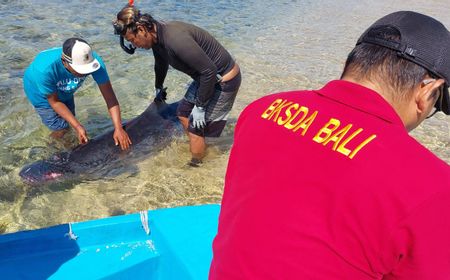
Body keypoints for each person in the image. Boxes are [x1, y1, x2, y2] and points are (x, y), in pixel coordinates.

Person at [210, 11, 450, 279]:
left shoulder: (260, 110)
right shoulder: (434, 184)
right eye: (434, 106)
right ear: (427, 91)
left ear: (354, 63)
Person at [113, 4, 241, 166]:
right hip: (205, 78)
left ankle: (198, 164)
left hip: (223, 81)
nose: (135, 45)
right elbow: (160, 63)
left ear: (141, 29)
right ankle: (200, 144)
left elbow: (209, 71)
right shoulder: (157, 36)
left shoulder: (175, 40)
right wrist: (158, 87)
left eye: (133, 40)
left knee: (197, 126)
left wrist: (200, 107)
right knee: (183, 112)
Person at [23, 37, 131, 150]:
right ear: (65, 62)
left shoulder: (93, 61)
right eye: (80, 70)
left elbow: (110, 98)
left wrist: (118, 128)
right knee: (61, 128)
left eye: (87, 69)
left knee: (70, 121)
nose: (85, 73)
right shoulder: (44, 70)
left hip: (65, 88)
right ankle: (50, 151)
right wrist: (78, 126)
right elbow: (54, 102)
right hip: (39, 92)